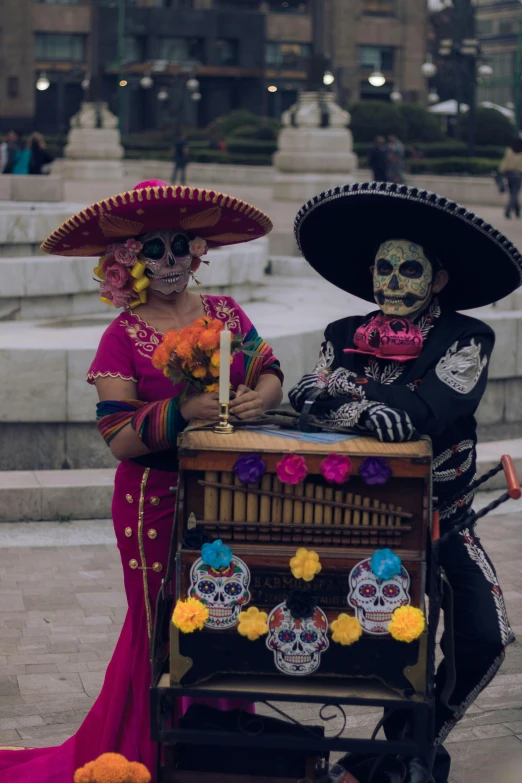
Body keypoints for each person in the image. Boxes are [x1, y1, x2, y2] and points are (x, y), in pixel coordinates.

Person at [0, 179, 284, 782]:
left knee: (227, 607)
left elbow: (268, 368)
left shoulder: (227, 312)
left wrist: (259, 398)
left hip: (230, 491)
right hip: (152, 499)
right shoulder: (122, 335)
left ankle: (220, 749)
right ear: (128, 260)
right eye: (154, 249)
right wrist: (185, 410)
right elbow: (118, 438)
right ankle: (149, 752)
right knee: (162, 622)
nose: (171, 261)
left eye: (181, 245)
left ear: (198, 251)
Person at [289, 182, 517, 783]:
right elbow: (305, 402)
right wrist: (375, 408)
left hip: (447, 515)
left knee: (485, 639)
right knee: (394, 642)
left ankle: (406, 748)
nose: (391, 282)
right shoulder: (342, 331)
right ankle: (409, 761)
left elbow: (429, 415)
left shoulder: (468, 337)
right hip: (362, 518)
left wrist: (351, 396)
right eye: (383, 268)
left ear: (437, 280)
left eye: (408, 268)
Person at [499, 137, 522, 218]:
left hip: (509, 175)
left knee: (513, 194)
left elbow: (505, 162)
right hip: (519, 175)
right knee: (514, 194)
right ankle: (508, 210)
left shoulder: (509, 151)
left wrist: (501, 171)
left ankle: (517, 211)